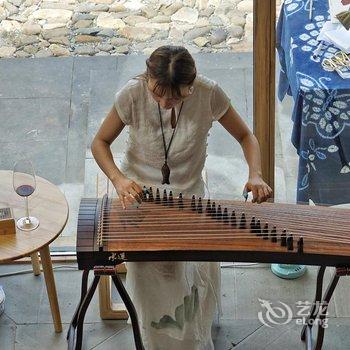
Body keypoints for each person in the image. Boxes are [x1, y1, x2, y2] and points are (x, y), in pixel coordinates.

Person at [91, 45, 272, 350]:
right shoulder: (132, 94)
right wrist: (119, 180)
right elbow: (100, 142)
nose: (163, 102)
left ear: (191, 85)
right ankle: (159, 340)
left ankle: (192, 336)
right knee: (157, 275)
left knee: (192, 275)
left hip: (190, 198)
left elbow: (246, 136)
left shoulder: (208, 93)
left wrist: (255, 174)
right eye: (157, 93)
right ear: (148, 78)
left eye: (174, 97)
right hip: (140, 199)